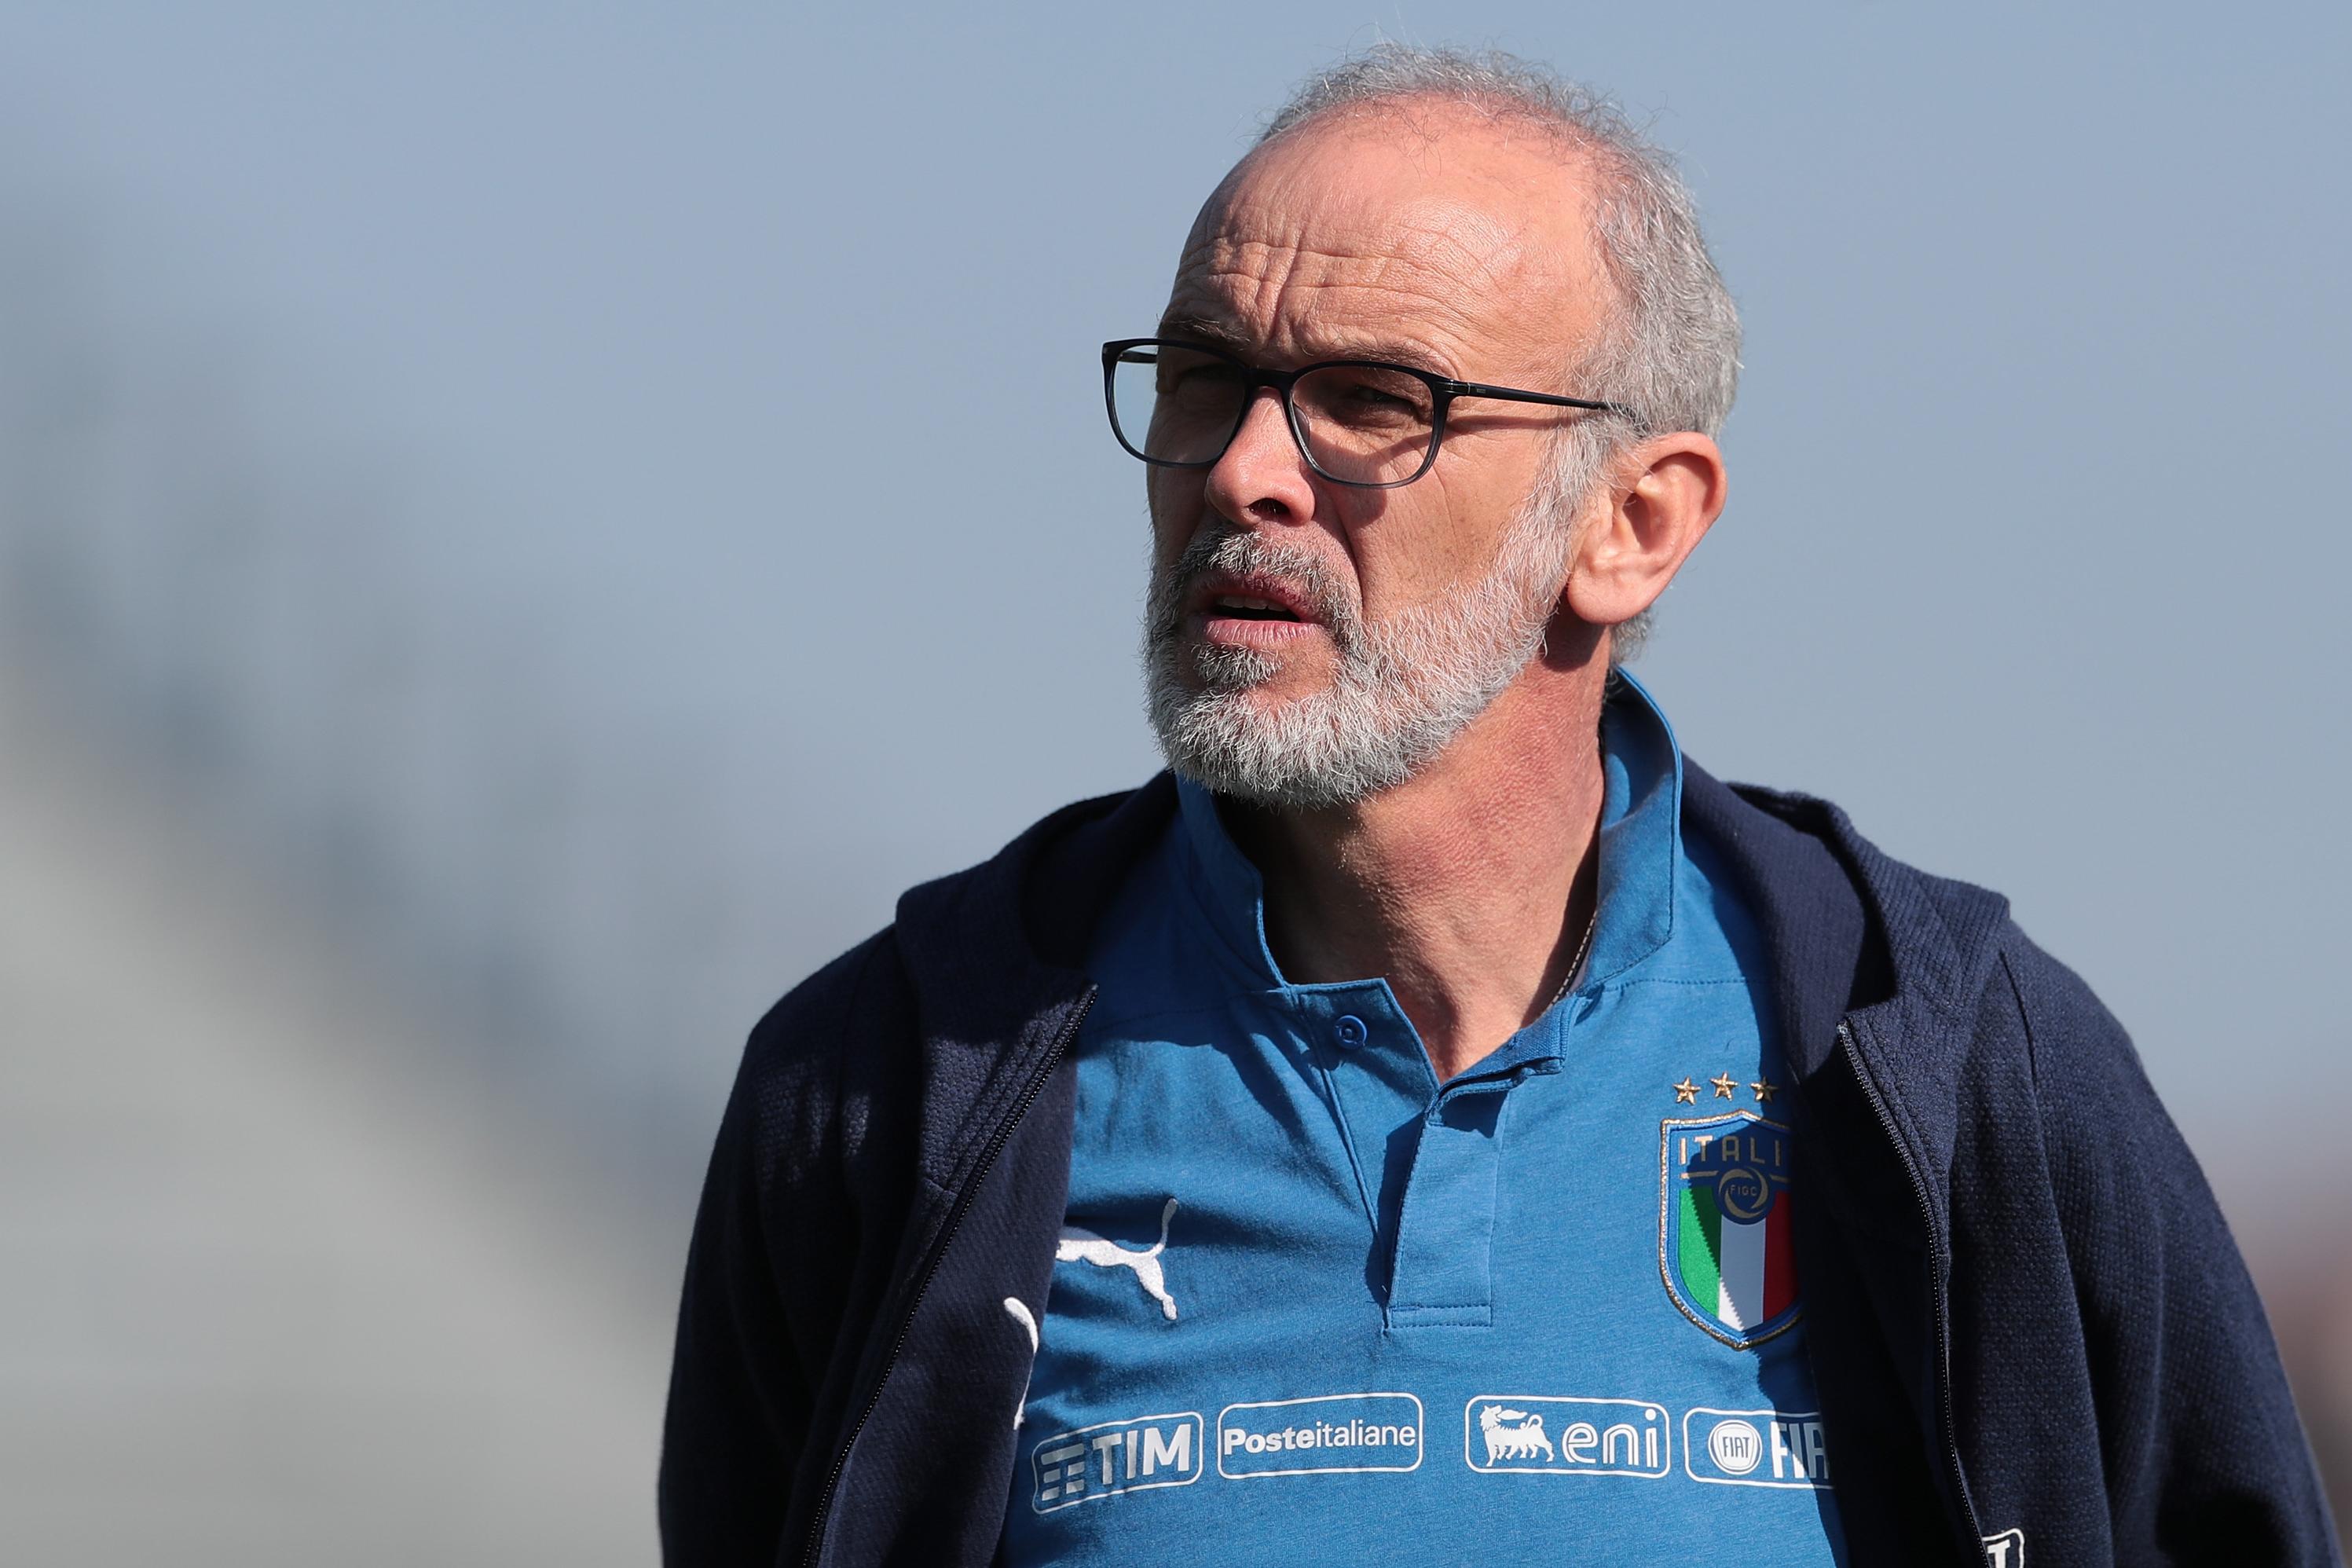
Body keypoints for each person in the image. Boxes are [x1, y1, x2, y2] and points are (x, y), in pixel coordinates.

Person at [658, 45, 2339, 1568]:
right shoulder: (890, 1085)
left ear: (1633, 526)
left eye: (1374, 402)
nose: (1246, 466)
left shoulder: (1955, 1065)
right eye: (1203, 374)